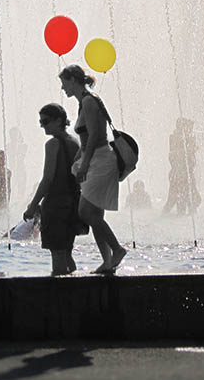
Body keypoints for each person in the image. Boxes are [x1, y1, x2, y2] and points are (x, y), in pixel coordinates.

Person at [59, 64, 126, 274]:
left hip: (101, 161)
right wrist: (76, 161)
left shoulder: (88, 101)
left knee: (86, 212)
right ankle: (107, 262)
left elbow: (96, 136)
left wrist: (84, 164)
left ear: (73, 80)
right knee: (95, 214)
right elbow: (87, 139)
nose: (63, 88)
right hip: (97, 159)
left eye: (64, 83)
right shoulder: (85, 102)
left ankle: (117, 249)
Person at [24, 103, 83, 276]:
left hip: (56, 205)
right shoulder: (74, 142)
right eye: (41, 122)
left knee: (58, 259)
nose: (42, 125)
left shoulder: (53, 144)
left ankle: (59, 298)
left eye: (46, 121)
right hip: (72, 204)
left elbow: (48, 178)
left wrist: (33, 205)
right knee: (67, 256)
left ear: (59, 121)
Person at [164, 117, 200, 215]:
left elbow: (191, 153)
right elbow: (175, 155)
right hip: (179, 173)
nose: (190, 130)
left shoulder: (187, 138)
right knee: (179, 196)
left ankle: (186, 212)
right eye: (188, 127)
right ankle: (174, 214)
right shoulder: (176, 138)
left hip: (185, 172)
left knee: (188, 195)